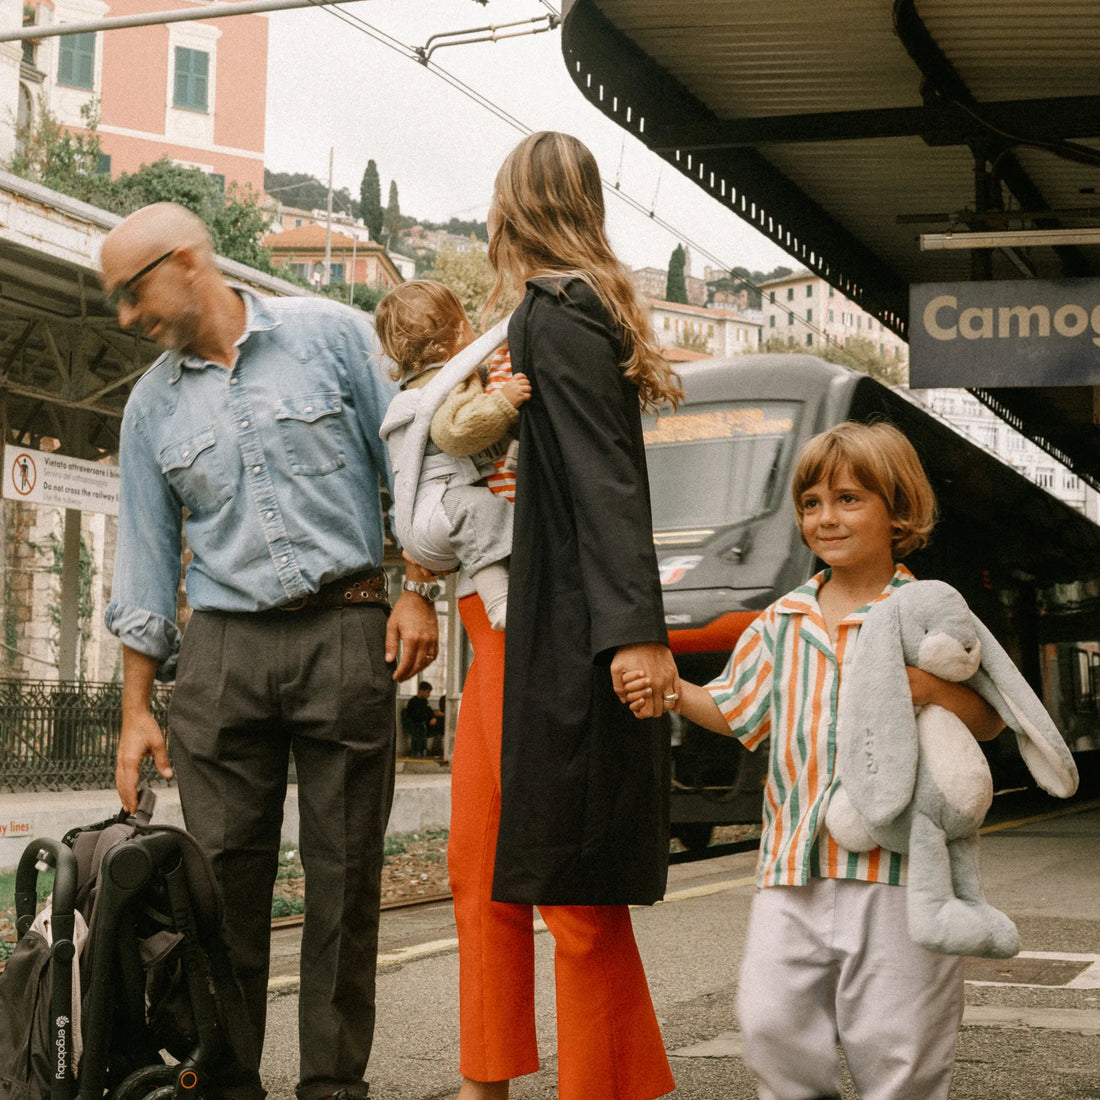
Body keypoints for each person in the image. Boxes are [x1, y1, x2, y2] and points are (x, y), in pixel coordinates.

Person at [98, 202, 439, 1100]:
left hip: (347, 628)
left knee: (344, 878)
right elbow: (142, 564)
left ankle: (332, 1087)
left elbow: (412, 466)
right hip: (221, 656)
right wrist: (136, 712)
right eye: (117, 305)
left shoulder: (331, 338)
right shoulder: (149, 410)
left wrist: (419, 589)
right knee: (217, 892)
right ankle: (229, 1083)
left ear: (187, 262)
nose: (128, 320)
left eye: (132, 295)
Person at [623, 420, 1006, 1100]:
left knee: (899, 1046)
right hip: (792, 865)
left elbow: (992, 718)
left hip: (899, 873)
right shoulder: (782, 620)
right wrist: (677, 693)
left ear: (899, 511)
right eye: (812, 504)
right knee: (769, 1021)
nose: (827, 518)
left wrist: (923, 686)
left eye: (850, 499)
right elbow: (737, 709)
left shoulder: (928, 613)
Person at [443, 131, 683, 1100]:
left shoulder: (552, 315)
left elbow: (604, 480)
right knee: (499, 864)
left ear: (507, 212)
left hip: (558, 635)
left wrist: (634, 630)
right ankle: (509, 1074)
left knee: (570, 881)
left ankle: (608, 1084)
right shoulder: (568, 312)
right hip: (519, 625)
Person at [375, 280, 530, 630]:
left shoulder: (423, 386)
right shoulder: (445, 385)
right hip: (441, 509)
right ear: (461, 331)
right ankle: (501, 603)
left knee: (482, 519)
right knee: (484, 514)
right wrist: (503, 402)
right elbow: (455, 432)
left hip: (425, 521)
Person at [403, 681, 437, 757]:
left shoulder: (425, 701)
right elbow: (414, 715)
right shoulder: (413, 701)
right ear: (421, 691)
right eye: (427, 692)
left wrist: (432, 717)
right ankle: (416, 751)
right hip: (414, 723)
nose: (428, 695)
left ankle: (423, 750)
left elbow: (429, 711)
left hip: (422, 723)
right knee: (418, 731)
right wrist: (428, 719)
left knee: (423, 731)